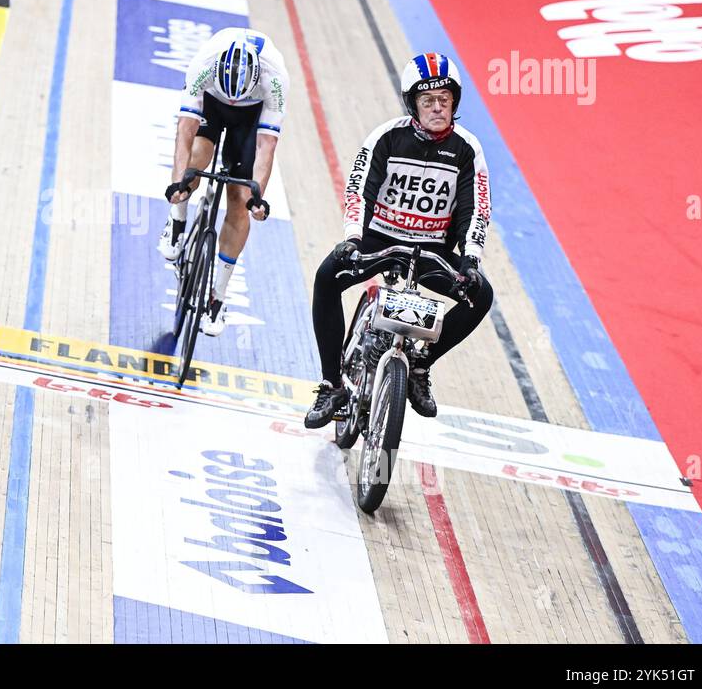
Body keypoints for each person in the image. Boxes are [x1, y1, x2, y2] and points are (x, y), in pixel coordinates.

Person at [305, 52, 494, 428]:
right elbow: (359, 190)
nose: (438, 108)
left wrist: (470, 258)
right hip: (380, 241)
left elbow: (476, 208)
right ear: (413, 104)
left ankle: (421, 365)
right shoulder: (386, 137)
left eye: (444, 100)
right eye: (428, 101)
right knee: (327, 278)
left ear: (455, 102)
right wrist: (353, 239)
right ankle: (331, 384)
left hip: (432, 252)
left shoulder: (467, 149)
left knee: (481, 296)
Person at [159, 28, 286, 336]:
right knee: (198, 156)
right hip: (211, 104)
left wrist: (257, 197)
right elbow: (185, 132)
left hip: (252, 114)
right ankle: (176, 224)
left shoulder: (275, 78)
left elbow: (265, 148)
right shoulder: (203, 63)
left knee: (240, 200)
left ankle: (218, 296)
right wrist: (178, 183)